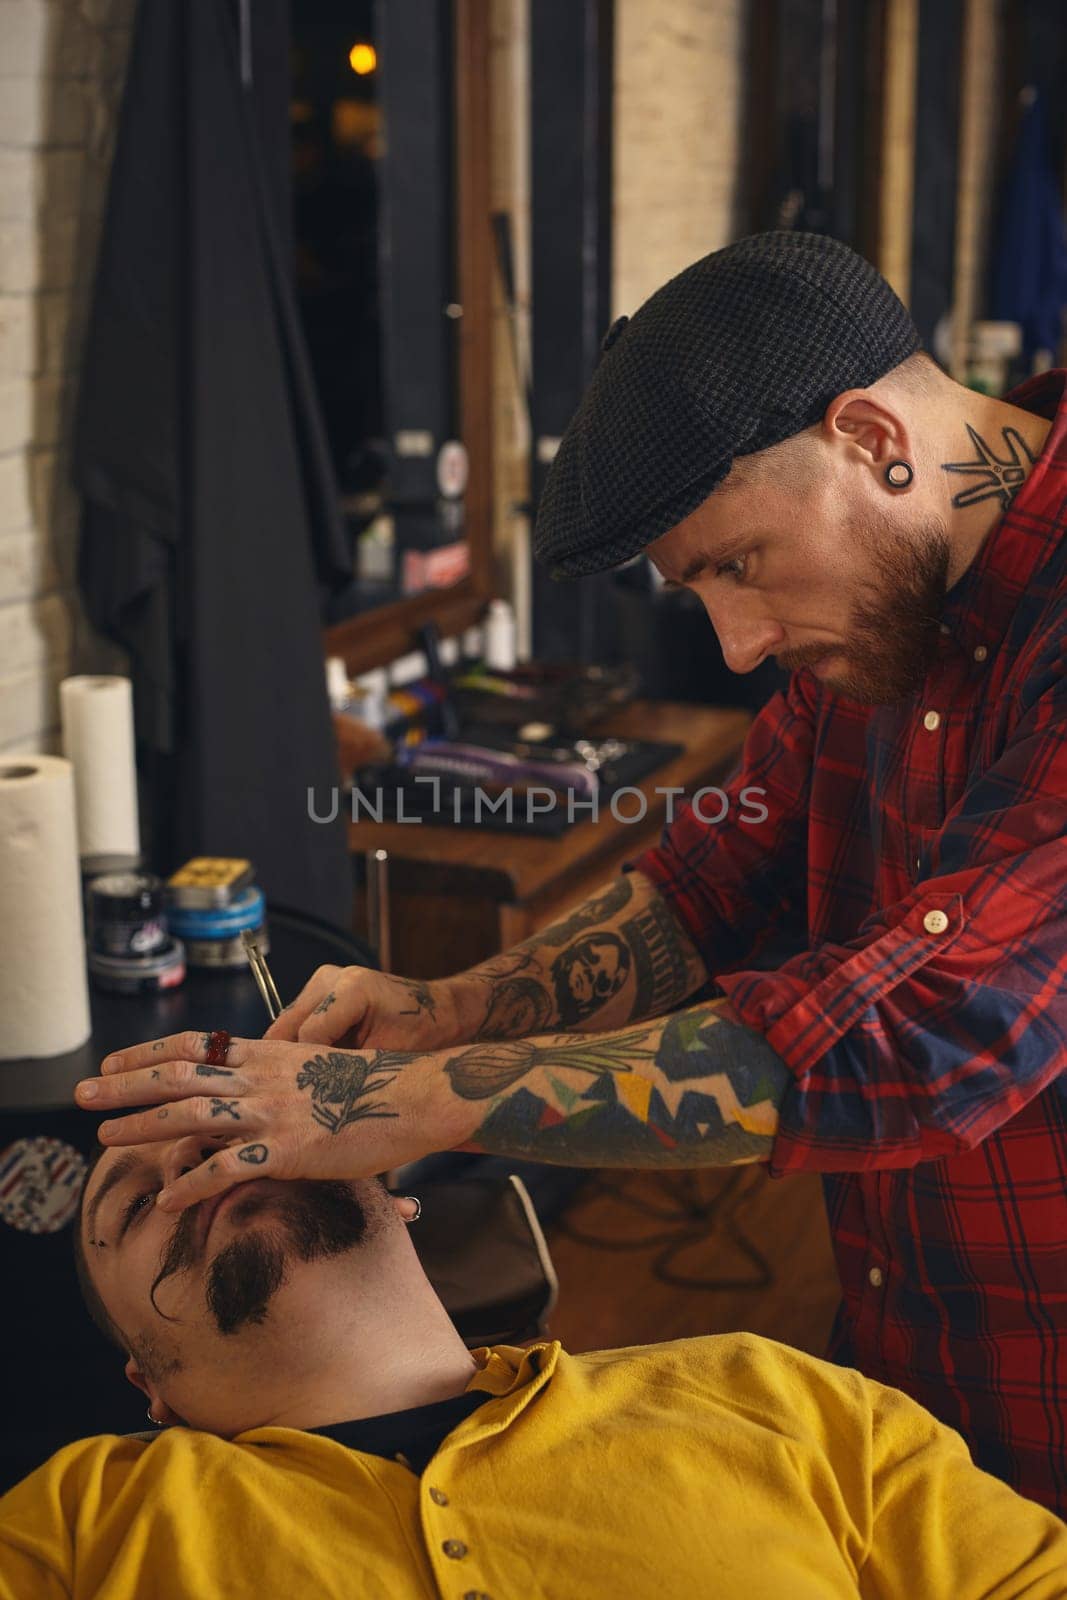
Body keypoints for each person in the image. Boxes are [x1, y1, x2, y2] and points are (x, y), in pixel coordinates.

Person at [76, 233, 1067, 1514]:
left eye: (735, 563)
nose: (738, 639)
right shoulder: (889, 603)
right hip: (918, 1355)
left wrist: (423, 1101)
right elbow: (711, 881)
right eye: (695, 588)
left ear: (870, 436)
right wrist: (454, 1008)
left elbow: (934, 1031)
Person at [2, 1138, 1065, 1600]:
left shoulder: (771, 1394)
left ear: (394, 1185)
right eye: (136, 1205)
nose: (197, 1165)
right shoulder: (86, 1518)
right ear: (151, 1384)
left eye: (240, 1131)